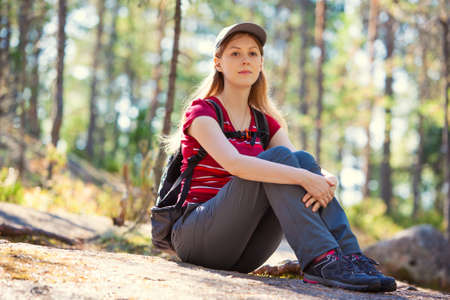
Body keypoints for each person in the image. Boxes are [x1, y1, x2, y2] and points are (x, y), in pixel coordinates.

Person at [166, 22, 396, 293]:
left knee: (303, 159)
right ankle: (322, 259)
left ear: (261, 62)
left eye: (253, 54)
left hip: (246, 252)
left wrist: (324, 177)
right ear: (218, 63)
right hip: (198, 237)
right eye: (235, 53)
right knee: (281, 160)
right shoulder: (202, 112)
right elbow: (235, 164)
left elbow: (299, 164)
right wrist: (305, 177)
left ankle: (350, 256)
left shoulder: (264, 123)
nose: (245, 60)